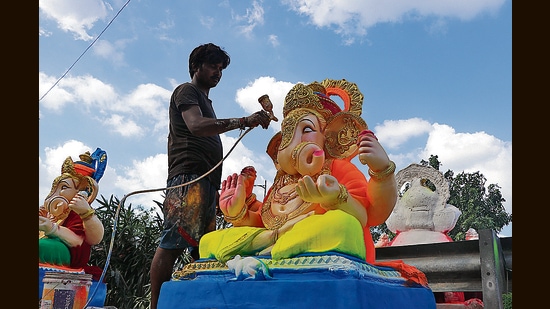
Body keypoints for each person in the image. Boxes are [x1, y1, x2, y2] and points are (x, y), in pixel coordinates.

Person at [149, 43, 272, 309]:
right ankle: (156, 305)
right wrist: (243, 121)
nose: (217, 72)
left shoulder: (206, 100)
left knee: (202, 248)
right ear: (196, 67)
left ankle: (196, 301)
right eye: (212, 66)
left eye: (220, 69)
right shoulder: (187, 91)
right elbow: (195, 125)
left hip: (206, 182)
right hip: (188, 178)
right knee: (172, 243)